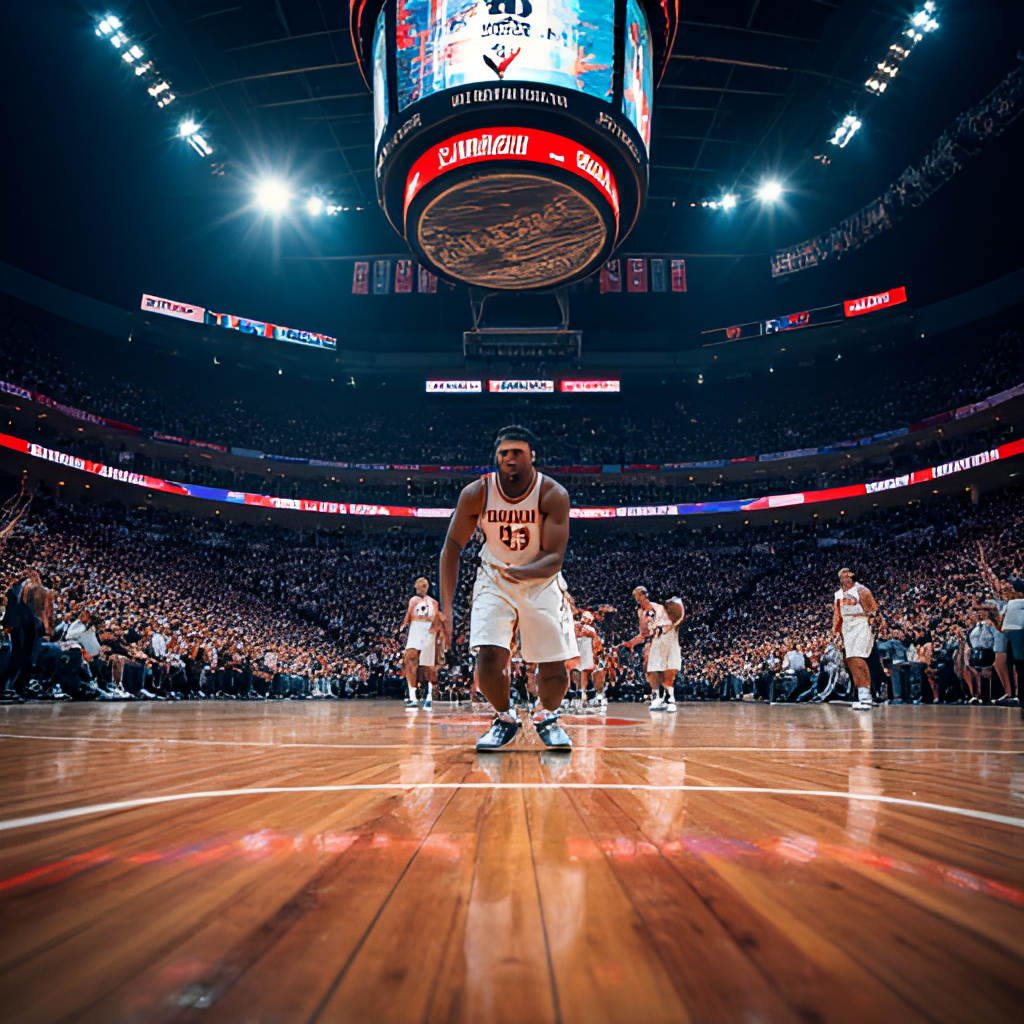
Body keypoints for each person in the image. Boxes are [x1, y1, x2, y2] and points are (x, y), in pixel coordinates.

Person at [438, 425, 577, 751]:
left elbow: (555, 558)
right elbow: (452, 546)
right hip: (494, 578)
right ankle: (505, 717)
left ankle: (546, 715)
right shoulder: (476, 493)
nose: (510, 460)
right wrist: (446, 610)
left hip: (541, 580)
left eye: (518, 453)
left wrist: (523, 571)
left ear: (532, 458)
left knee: (554, 668)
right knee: (487, 657)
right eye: (504, 454)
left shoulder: (552, 494)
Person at [624, 587, 684, 713]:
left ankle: (670, 699)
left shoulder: (658, 608)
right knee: (652, 669)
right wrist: (631, 643)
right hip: (656, 639)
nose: (637, 598)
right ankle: (657, 697)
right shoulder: (641, 612)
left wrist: (664, 630)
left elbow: (671, 622)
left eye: (638, 595)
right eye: (635, 596)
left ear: (645, 595)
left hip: (666, 637)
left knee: (665, 669)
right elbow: (644, 634)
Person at [832, 568, 878, 710]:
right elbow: (837, 614)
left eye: (847, 574)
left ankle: (866, 695)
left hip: (861, 622)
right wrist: (836, 631)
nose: (844, 577)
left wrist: (874, 625)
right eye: (841, 575)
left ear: (852, 575)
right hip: (847, 626)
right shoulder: (838, 594)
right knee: (851, 659)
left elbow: (873, 609)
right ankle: (861, 693)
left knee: (859, 657)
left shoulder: (861, 590)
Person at [398, 577, 439, 709]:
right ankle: (413, 696)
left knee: (428, 665)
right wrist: (403, 625)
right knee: (411, 661)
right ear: (416, 586)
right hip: (416, 629)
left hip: (428, 630)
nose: (423, 587)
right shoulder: (413, 600)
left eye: (425, 585)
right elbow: (409, 615)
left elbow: (436, 618)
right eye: (421, 585)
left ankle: (429, 696)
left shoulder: (433, 602)